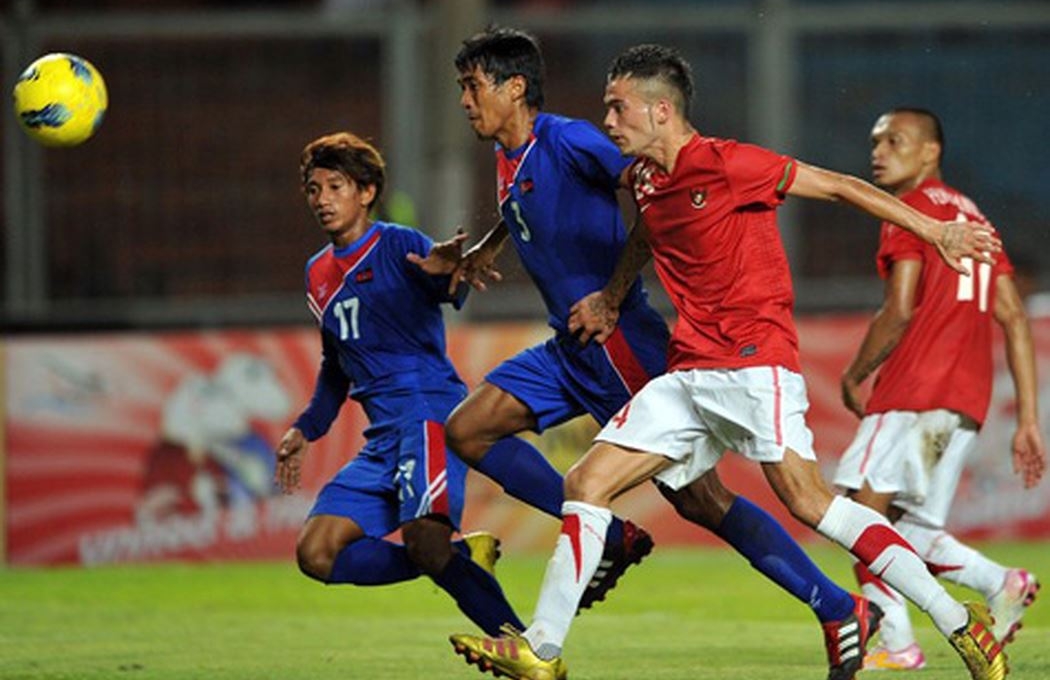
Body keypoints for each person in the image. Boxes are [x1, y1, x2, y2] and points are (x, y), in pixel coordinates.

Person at [449, 44, 1008, 680]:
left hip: (754, 364)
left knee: (810, 503)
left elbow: (844, 186)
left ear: (661, 111)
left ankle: (956, 620)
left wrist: (935, 232)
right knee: (585, 484)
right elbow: (646, 233)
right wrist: (609, 295)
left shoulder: (731, 163)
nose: (607, 121)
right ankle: (541, 650)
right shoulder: (644, 178)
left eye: (618, 107)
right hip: (689, 372)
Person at [273, 131, 523, 637]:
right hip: (382, 439)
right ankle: (458, 556)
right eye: (314, 189)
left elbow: (442, 285)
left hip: (428, 416)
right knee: (316, 554)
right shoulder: (317, 273)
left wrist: (445, 269)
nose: (322, 199)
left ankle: (524, 647)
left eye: (336, 186)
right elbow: (335, 365)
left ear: (366, 192)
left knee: (424, 542)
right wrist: (305, 429)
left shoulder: (397, 243)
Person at [833, 108, 1045, 671]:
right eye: (875, 141)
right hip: (963, 402)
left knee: (858, 516)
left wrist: (856, 373)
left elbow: (900, 309)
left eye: (894, 141)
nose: (878, 151)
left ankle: (896, 639)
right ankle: (1002, 583)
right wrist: (1027, 419)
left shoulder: (910, 212)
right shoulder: (977, 219)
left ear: (930, 152)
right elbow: (1014, 317)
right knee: (911, 531)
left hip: (914, 392)